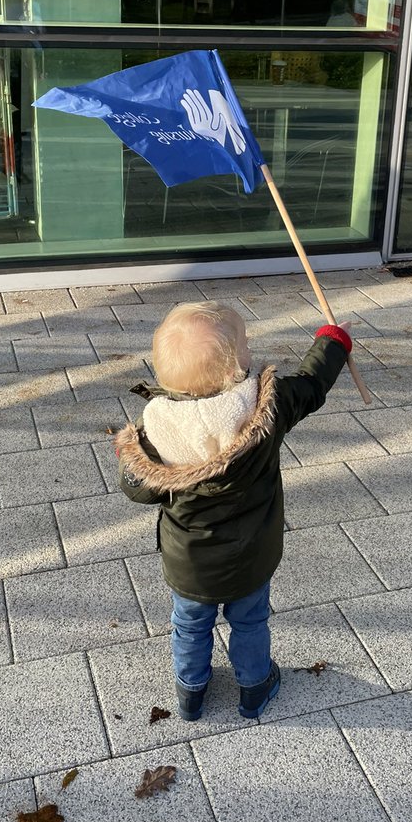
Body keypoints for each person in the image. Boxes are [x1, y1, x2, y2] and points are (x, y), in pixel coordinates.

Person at [115, 300, 352, 720]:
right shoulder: (267, 408)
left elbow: (139, 490)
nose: (249, 347)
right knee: (250, 622)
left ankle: (190, 694)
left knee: (189, 625)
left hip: (189, 564)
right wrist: (332, 341)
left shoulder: (156, 430)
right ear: (231, 371)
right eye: (244, 343)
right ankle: (254, 687)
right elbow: (312, 385)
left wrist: (134, 463)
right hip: (251, 558)